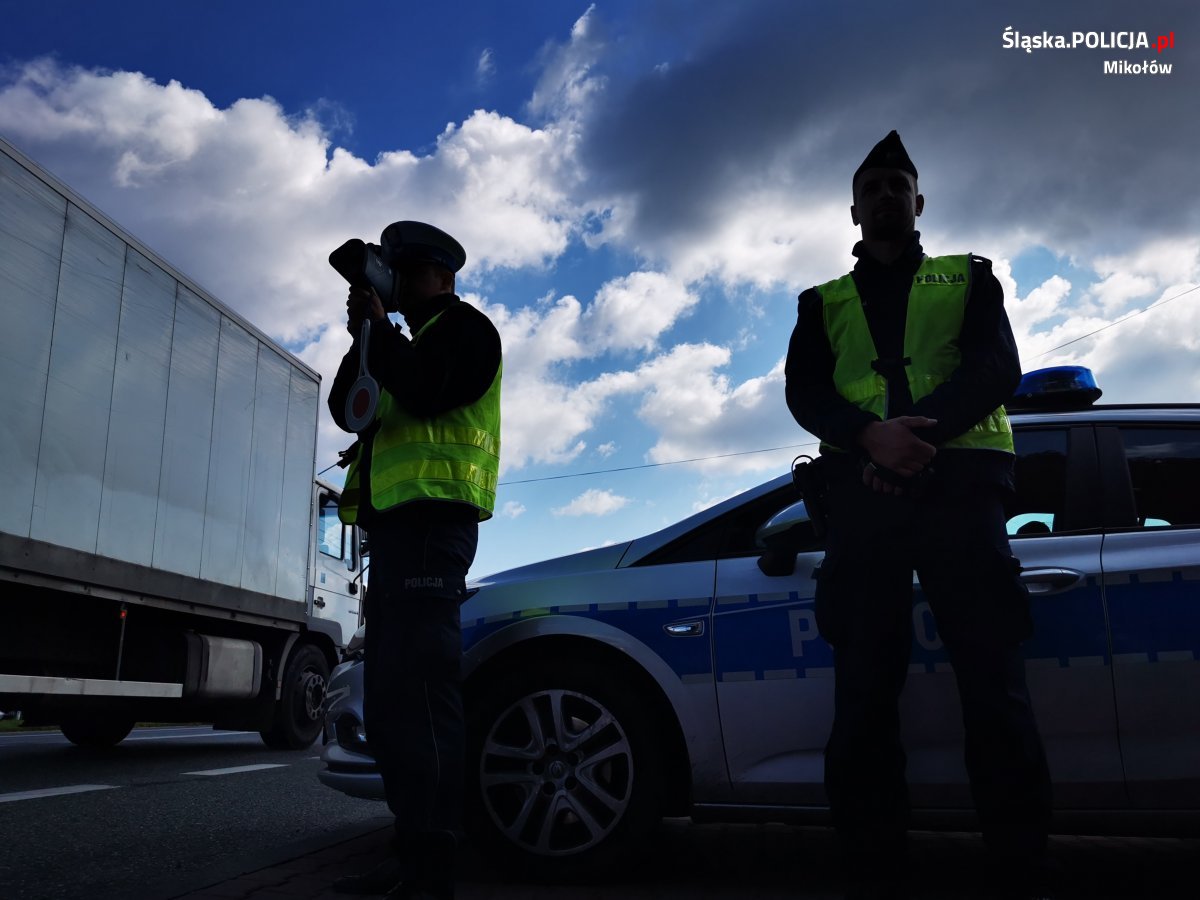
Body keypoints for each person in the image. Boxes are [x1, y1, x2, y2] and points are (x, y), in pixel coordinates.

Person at [784, 132, 1053, 900]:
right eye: (873, 187)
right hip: (866, 505)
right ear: (854, 210)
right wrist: (871, 436)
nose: (886, 197)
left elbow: (997, 368)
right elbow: (806, 394)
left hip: (960, 498)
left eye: (899, 185)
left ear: (919, 201)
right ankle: (874, 870)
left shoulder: (968, 278)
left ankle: (1022, 869)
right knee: (863, 697)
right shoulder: (821, 302)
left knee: (994, 691)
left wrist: (913, 439)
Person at [328, 221, 502, 900]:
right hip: (397, 537)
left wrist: (383, 333)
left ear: (437, 274)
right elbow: (350, 411)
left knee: (424, 698)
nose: (391, 284)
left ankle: (432, 871)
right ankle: (411, 856)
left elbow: (430, 390)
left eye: (399, 271)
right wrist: (364, 335)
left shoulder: (467, 331)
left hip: (435, 526)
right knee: (396, 701)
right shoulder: (398, 340)